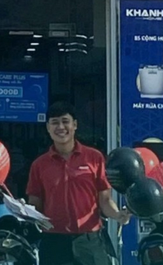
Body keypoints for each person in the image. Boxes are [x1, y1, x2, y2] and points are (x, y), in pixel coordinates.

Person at [26, 102, 130, 265]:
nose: (61, 127)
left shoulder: (94, 158)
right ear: (48, 128)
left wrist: (118, 215)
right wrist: (23, 210)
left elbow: (105, 200)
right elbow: (35, 204)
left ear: (75, 125)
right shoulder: (39, 165)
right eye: (55, 122)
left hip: (90, 241)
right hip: (54, 242)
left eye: (65, 121)